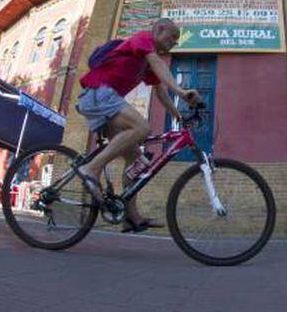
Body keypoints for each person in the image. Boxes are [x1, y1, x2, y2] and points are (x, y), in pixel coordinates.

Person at [75, 18, 201, 233]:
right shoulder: (143, 39)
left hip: (105, 101)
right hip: (98, 93)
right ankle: (90, 168)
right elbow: (160, 64)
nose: (173, 43)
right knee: (142, 128)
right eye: (172, 37)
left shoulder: (147, 63)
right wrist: (181, 91)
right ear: (159, 30)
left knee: (136, 159)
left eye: (176, 40)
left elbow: (160, 92)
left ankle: (130, 217)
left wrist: (178, 116)